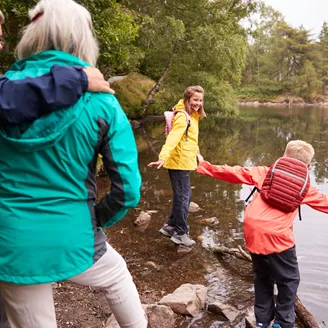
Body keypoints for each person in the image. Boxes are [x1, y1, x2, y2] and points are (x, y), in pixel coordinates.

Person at [0, 1, 147, 327]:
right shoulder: (102, 100)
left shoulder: (5, 90)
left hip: (13, 241)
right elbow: (129, 191)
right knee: (117, 276)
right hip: (77, 235)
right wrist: (95, 219)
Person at [196, 140, 328, 328]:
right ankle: (282, 323)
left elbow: (234, 172)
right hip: (278, 237)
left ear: (284, 155)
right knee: (290, 280)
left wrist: (204, 166)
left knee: (263, 277)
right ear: (308, 165)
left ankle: (262, 321)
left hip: (253, 231)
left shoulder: (266, 172)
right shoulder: (305, 187)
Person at [0, 10, 115, 124]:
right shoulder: (105, 103)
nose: (1, 46)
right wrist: (79, 79)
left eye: (1, 39)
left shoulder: (11, 77)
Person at [148, 85, 206, 248]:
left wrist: (198, 154)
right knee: (183, 197)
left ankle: (170, 226)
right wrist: (162, 157)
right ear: (188, 99)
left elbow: (190, 139)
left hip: (185, 160)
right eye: (195, 100)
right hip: (179, 162)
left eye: (200, 100)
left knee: (183, 195)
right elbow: (173, 137)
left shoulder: (192, 115)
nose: (198, 103)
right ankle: (180, 233)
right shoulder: (183, 116)